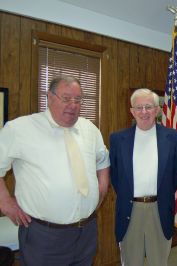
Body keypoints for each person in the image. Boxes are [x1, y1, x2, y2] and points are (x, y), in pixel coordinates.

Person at [0, 76, 110, 265]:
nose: (73, 105)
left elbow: (102, 160)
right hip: (44, 236)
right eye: (66, 98)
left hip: (86, 231)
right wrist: (4, 201)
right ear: (50, 98)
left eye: (78, 100)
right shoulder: (20, 129)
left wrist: (102, 187)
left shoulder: (89, 129)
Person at [110, 88, 177, 266]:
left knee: (158, 262)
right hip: (130, 210)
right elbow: (115, 176)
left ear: (157, 110)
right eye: (139, 107)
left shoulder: (173, 137)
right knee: (131, 261)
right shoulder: (117, 139)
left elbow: (176, 175)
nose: (144, 112)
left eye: (149, 107)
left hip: (159, 210)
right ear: (132, 111)